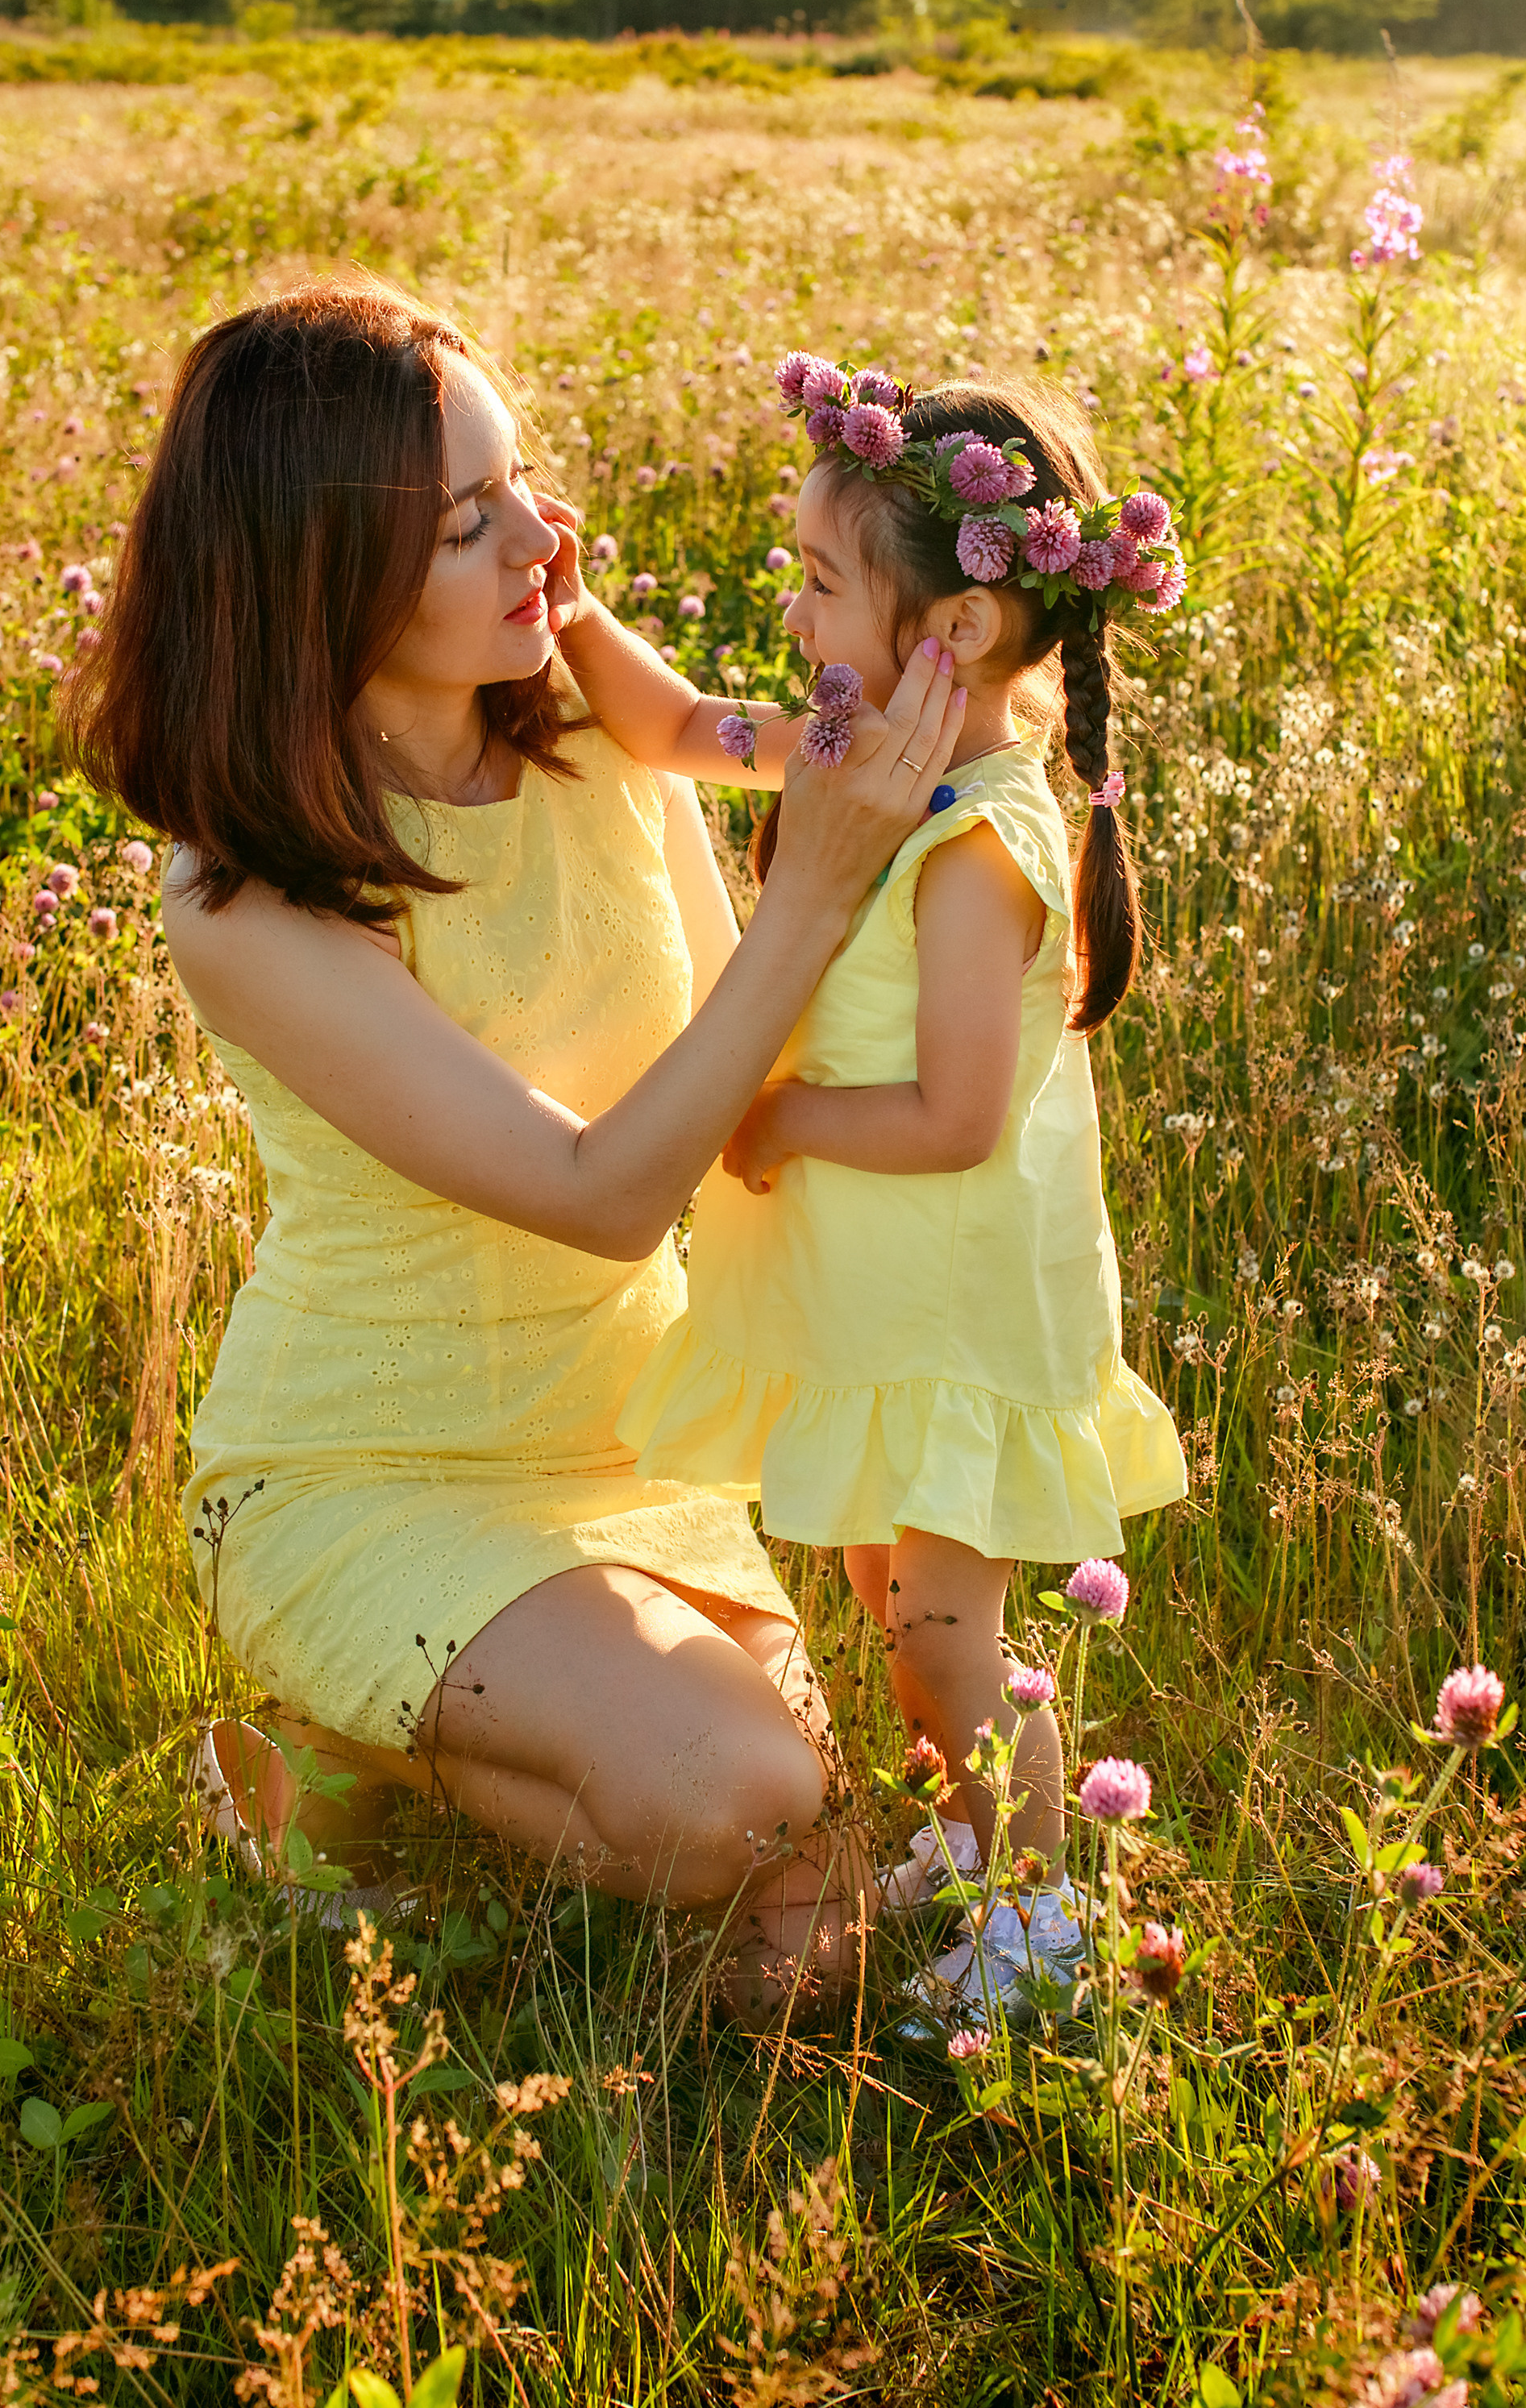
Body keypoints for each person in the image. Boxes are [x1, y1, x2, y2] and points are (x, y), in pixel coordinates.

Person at [60, 276, 965, 2022]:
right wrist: (817, 875)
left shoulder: (590, 749)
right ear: (319, 569)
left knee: (812, 1933)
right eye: (468, 517)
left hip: (632, 1453)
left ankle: (385, 1801)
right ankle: (332, 1764)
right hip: (367, 1472)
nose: (543, 538)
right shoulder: (248, 894)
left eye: (525, 481)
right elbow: (602, 1195)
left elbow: (732, 1101)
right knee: (736, 1796)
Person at [554, 356, 1187, 2012]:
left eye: (823, 580)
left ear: (955, 630)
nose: (796, 608)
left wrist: (785, 1120)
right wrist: (570, 611)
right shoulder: (857, 746)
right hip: (864, 1289)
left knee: (942, 1633)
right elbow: (676, 729)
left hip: (950, 1294)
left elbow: (962, 1116)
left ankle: (1044, 1929)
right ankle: (976, 1835)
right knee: (880, 1585)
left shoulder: (984, 842)